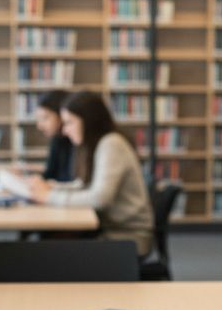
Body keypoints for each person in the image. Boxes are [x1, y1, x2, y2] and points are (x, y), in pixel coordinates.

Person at [24, 91, 154, 257]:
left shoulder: (111, 144)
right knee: (49, 244)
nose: (64, 131)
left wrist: (49, 196)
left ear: (89, 121)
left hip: (127, 238)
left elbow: (99, 199)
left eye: (69, 123)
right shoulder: (97, 145)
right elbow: (85, 185)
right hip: (111, 231)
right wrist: (52, 187)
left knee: (48, 252)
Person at [34, 89, 75, 182]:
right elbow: (49, 175)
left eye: (45, 118)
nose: (39, 126)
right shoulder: (57, 140)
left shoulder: (77, 141)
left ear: (63, 115)